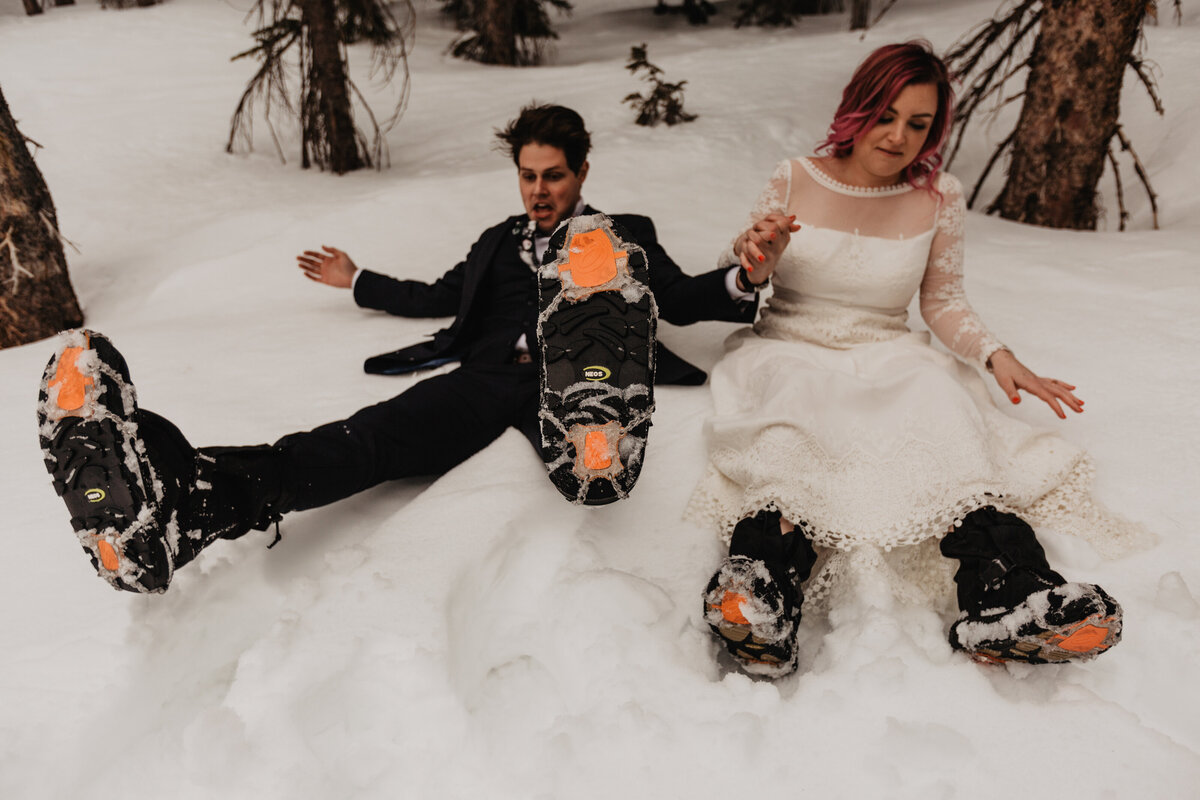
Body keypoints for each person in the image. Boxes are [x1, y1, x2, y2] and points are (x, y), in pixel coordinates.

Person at [38, 104, 758, 595]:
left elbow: (684, 297)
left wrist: (744, 277)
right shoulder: (494, 242)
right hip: (483, 382)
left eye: (555, 176)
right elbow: (438, 295)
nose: (539, 191)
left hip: (577, 377)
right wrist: (358, 281)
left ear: (582, 173)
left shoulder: (622, 231)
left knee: (586, 351)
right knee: (364, 442)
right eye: (528, 176)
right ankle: (181, 509)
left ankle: (593, 429)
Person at [687, 43, 1134, 677]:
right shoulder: (796, 176)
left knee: (944, 413)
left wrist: (996, 355)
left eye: (918, 124)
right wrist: (757, 258)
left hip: (888, 349)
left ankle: (1010, 595)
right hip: (790, 346)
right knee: (792, 430)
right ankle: (761, 595)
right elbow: (751, 258)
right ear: (857, 107)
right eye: (885, 115)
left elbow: (943, 300)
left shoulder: (937, 196)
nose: (898, 137)